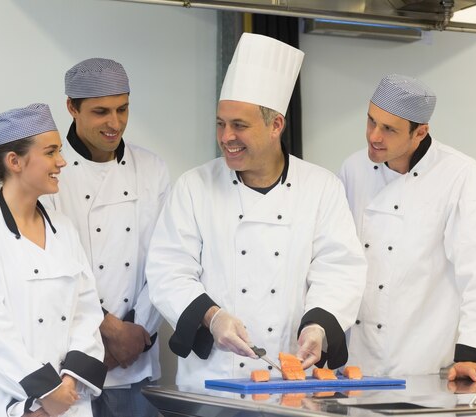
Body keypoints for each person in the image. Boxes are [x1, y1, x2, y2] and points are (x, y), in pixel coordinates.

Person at [145, 33, 367, 387]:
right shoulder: (194, 186)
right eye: (221, 123)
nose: (226, 136)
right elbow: (167, 271)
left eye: (239, 125)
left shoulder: (321, 187)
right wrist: (212, 317)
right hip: (214, 381)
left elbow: (339, 269)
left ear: (276, 125)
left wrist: (318, 326)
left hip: (292, 381)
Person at [339, 74, 476, 382]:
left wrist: (473, 355)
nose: (374, 136)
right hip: (357, 364)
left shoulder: (460, 174)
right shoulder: (352, 169)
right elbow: (340, 260)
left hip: (423, 362)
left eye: (389, 129)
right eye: (371, 121)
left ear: (420, 132)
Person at [0, 103, 107, 417]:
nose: (62, 162)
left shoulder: (63, 228)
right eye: (50, 152)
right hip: (4, 404)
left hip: (65, 403)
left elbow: (87, 312)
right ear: (15, 161)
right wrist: (43, 395)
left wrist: (67, 385)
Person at [42, 58, 169, 417]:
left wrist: (136, 333)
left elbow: (165, 261)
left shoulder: (152, 168)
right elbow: (55, 269)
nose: (115, 123)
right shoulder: (52, 172)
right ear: (71, 107)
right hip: (69, 367)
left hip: (136, 365)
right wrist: (108, 333)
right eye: (101, 112)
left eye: (122, 109)